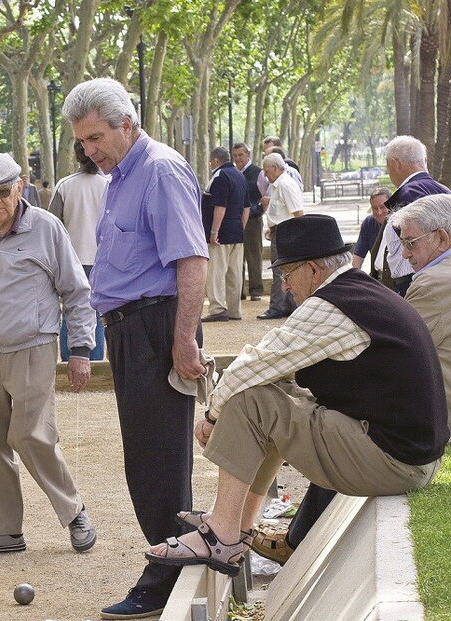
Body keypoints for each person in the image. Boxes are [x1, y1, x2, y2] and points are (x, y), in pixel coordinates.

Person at [146, 214, 447, 577]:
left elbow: (250, 365)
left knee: (252, 399)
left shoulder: (331, 306)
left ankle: (224, 536)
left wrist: (212, 415)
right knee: (272, 394)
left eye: (287, 274)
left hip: (394, 462)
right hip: (409, 455)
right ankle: (237, 524)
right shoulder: (360, 291)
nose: (285, 287)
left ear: (313, 270)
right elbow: (276, 371)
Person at [63, 78, 209, 619]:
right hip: (129, 330)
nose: (89, 151)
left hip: (156, 325)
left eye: (96, 137)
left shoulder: (160, 169)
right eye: (83, 142)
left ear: (128, 122)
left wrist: (184, 340)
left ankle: (168, 575)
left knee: (158, 461)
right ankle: (175, 563)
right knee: (145, 460)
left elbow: (191, 261)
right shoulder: (121, 176)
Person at [0, 152, 98, 556]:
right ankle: (2, 531)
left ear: (21, 186)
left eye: (2, 192)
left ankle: (74, 510)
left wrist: (80, 349)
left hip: (32, 347)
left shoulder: (47, 228)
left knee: (31, 434)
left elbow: (77, 293)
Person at [395, 194, 451, 430]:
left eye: (411, 243)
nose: (405, 254)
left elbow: (396, 352)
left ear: (441, 238)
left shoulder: (432, 283)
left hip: (432, 413)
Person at [49, 140, 109, 360]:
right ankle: (95, 360)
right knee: (98, 312)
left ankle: (69, 359)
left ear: (76, 156)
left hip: (70, 259)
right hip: (103, 259)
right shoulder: (109, 184)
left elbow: (52, 225)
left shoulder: (64, 185)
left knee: (71, 312)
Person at [375, 135, 450, 296]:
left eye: (388, 167)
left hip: (414, 285)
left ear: (395, 164)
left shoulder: (409, 195)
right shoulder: (444, 191)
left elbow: (420, 247)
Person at [202, 146, 248, 322]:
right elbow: (246, 207)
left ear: (215, 161)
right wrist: (240, 228)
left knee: (216, 272)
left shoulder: (220, 177)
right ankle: (235, 310)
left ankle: (217, 309)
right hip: (237, 231)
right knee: (235, 273)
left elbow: (220, 206)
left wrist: (214, 231)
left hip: (221, 233)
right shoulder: (240, 175)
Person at [258, 152, 304, 320]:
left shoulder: (285, 184)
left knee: (280, 270)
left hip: (286, 232)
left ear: (276, 168)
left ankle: (277, 307)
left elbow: (298, 212)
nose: (264, 174)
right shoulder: (279, 184)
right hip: (280, 230)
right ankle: (287, 305)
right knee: (283, 270)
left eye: (266, 170)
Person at [232, 142, 264, 302]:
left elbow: (265, 196)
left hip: (252, 220)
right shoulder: (231, 172)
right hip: (235, 220)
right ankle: (239, 290)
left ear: (248, 155)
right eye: (235, 155)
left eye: (241, 155)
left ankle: (256, 290)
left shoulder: (258, 173)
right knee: (236, 256)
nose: (238, 158)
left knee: (253, 255)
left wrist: (258, 210)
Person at [352, 187, 391, 274]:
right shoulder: (369, 223)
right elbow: (358, 257)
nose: (379, 212)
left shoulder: (400, 223)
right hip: (377, 275)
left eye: (382, 207)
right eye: (375, 208)